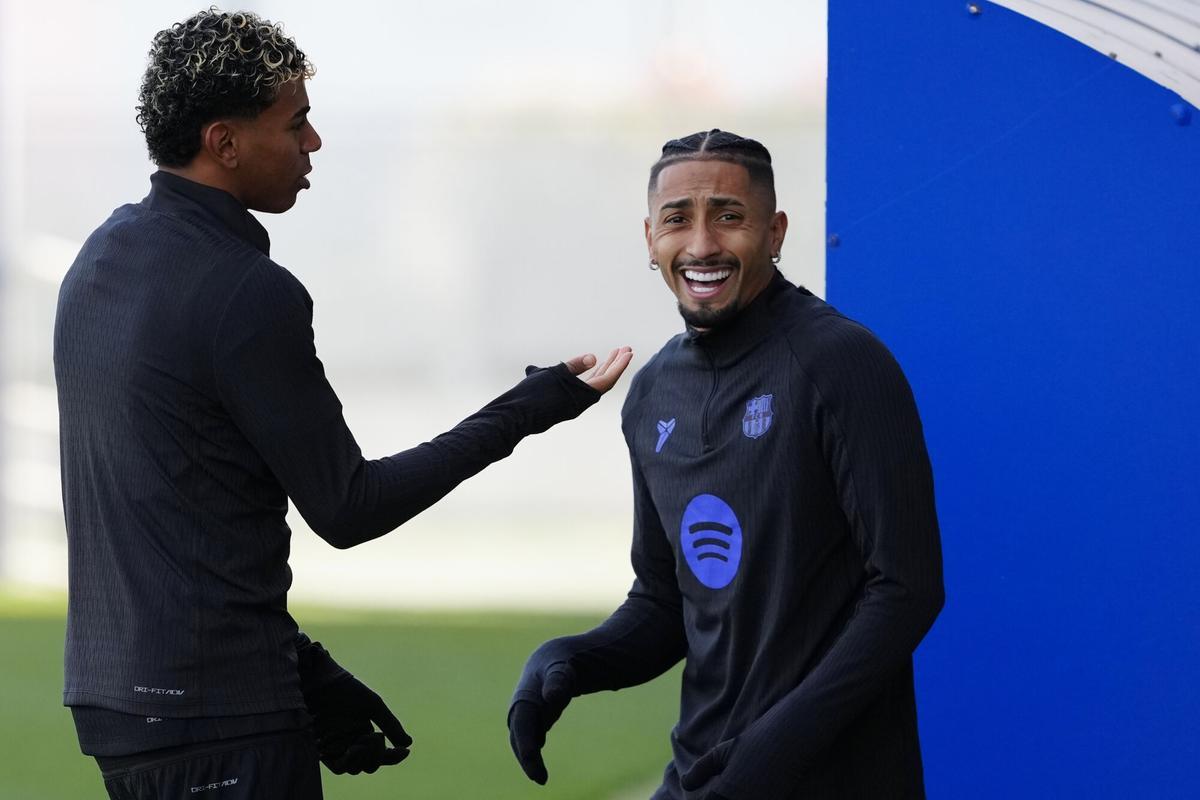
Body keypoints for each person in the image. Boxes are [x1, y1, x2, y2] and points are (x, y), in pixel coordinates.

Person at [52, 9, 631, 799]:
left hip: (119, 709)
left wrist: (304, 671)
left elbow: (179, 517)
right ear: (224, 142)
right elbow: (349, 507)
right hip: (221, 720)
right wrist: (531, 407)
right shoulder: (246, 292)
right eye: (295, 124)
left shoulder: (99, 260)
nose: (313, 143)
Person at [508, 130, 944, 799]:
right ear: (650, 239)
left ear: (775, 232)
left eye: (730, 217)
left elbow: (906, 588)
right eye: (678, 220)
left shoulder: (842, 363)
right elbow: (663, 604)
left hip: (833, 780)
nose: (703, 244)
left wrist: (776, 748)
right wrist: (568, 659)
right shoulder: (653, 391)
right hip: (706, 776)